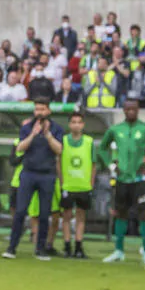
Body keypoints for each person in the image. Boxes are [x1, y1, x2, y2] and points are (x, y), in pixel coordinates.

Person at [98, 98, 145, 262]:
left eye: (134, 108)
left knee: (144, 214)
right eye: (128, 109)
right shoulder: (116, 129)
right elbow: (103, 148)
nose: (131, 111)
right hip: (122, 178)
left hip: (140, 179)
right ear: (124, 110)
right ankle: (119, 251)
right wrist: (111, 166)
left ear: (138, 110)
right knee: (120, 213)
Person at [4, 97, 63, 259]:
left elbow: (59, 150)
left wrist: (47, 135)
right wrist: (33, 134)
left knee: (44, 214)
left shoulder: (57, 128)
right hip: (28, 173)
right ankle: (11, 248)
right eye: (37, 109)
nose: (40, 112)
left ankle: (40, 249)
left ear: (48, 111)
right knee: (20, 211)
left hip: (47, 175)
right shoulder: (27, 127)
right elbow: (20, 148)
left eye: (43, 109)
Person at [58, 111, 97, 259]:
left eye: (79, 122)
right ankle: (67, 246)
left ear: (83, 125)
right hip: (68, 185)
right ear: (69, 124)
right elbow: (59, 163)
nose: (76, 125)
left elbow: (93, 165)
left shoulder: (89, 141)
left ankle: (79, 247)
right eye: (73, 122)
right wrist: (62, 182)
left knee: (81, 217)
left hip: (83, 186)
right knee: (66, 216)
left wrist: (91, 184)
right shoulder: (63, 141)